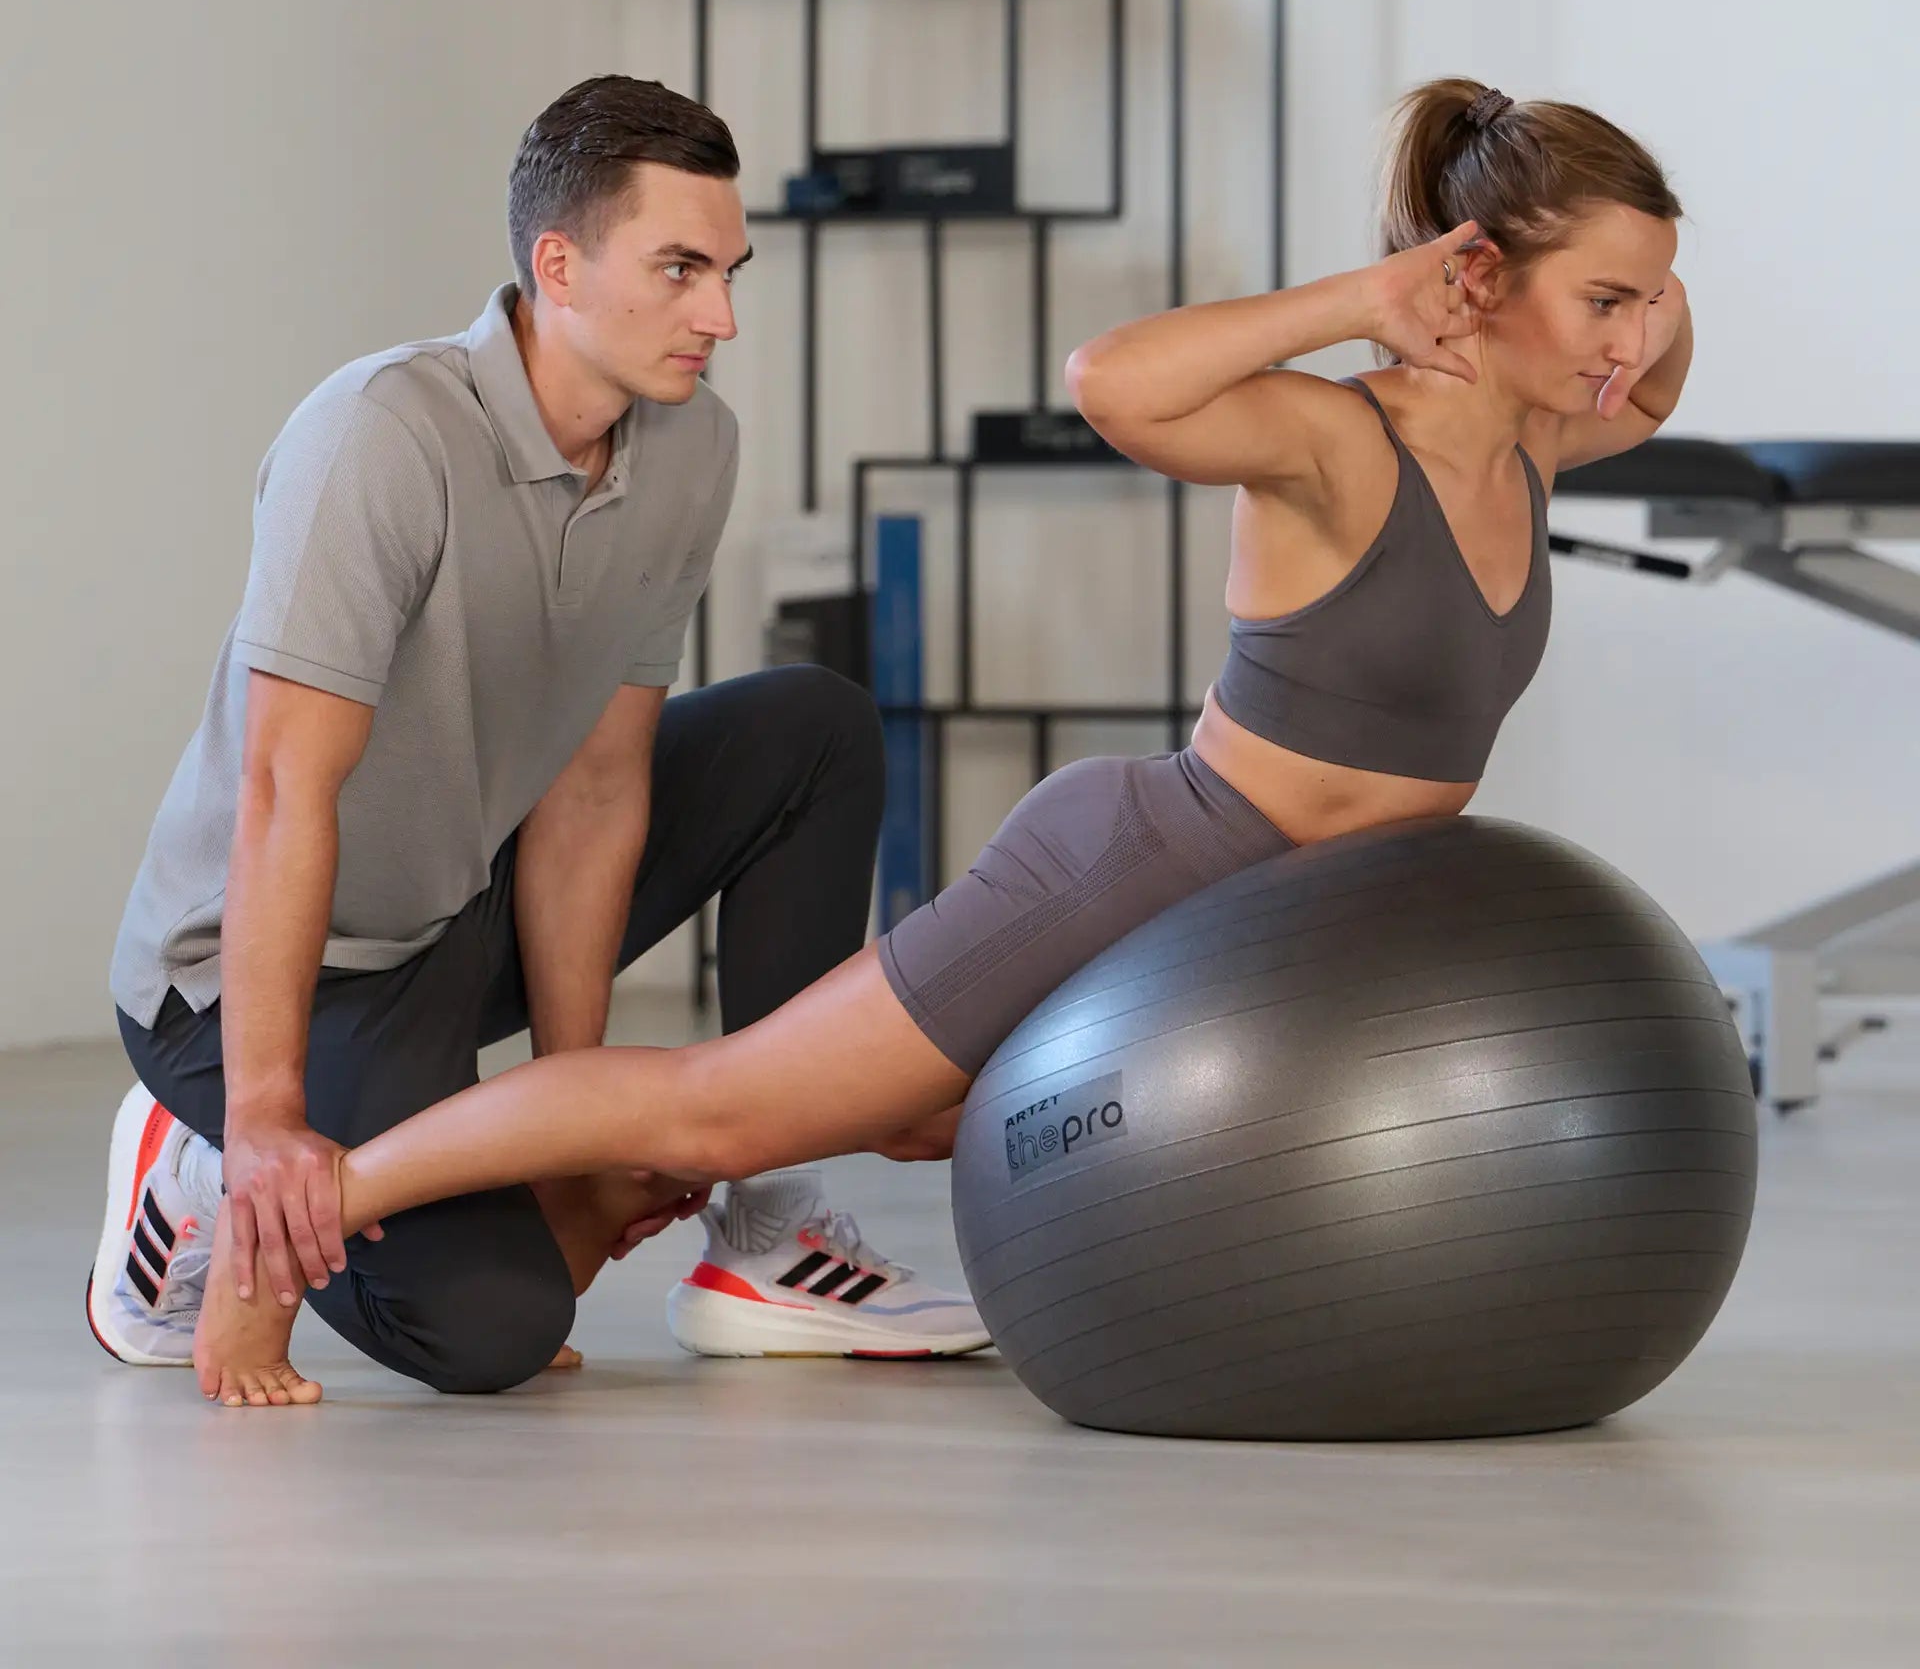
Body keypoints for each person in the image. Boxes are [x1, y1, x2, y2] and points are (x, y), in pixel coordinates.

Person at [190, 75, 1697, 1408]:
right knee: (722, 1104)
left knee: (917, 1117)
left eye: (1648, 301)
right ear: (1483, 279)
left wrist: (1628, 267)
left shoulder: (1540, 438)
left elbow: (1667, 373)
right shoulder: (1332, 435)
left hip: (1277, 947)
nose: (1633, 344)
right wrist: (1367, 298)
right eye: (1607, 302)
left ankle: (585, 1223)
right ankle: (293, 1214)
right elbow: (1113, 381)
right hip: (1146, 876)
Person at [89, 75, 991, 1400]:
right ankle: (196, 1151)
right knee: (497, 1329)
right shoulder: (380, 439)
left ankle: (765, 1225)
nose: (721, 317)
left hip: (458, 910)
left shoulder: (692, 446)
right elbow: (287, 792)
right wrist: (272, 1117)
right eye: (680, 269)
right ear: (555, 265)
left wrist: (583, 1108)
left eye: (730, 271)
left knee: (812, 726)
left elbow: (596, 787)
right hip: (253, 974)